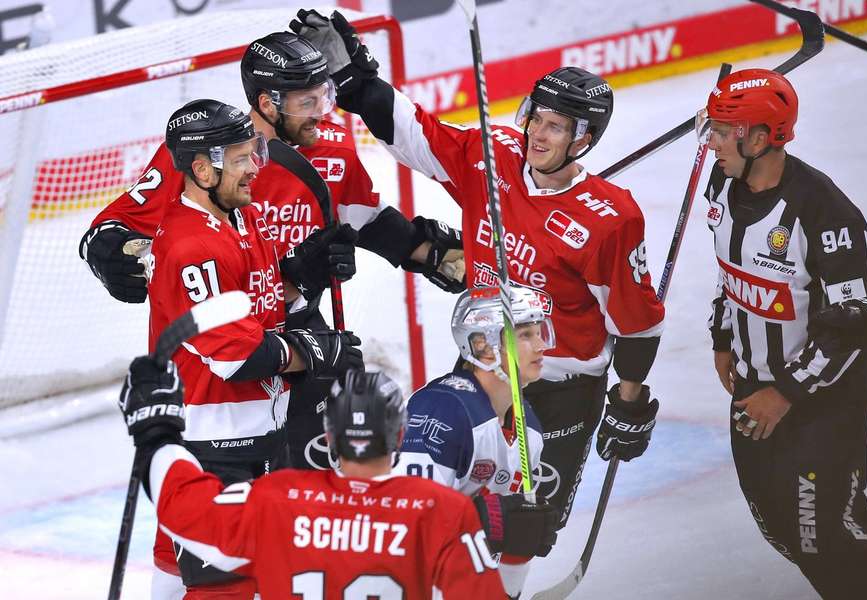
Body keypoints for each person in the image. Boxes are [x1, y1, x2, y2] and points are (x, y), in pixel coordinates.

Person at [291, 9, 666, 533]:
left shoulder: (610, 220)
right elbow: (413, 133)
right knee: (442, 510)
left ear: (583, 139)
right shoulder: (492, 158)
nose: (537, 133)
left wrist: (629, 398)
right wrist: (358, 85)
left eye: (556, 127)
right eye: (536, 117)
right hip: (480, 370)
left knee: (525, 529)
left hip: (559, 388)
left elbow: (636, 321)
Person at [78, 31, 465, 473]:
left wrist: (433, 252)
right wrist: (112, 254)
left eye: (326, 95)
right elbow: (115, 228)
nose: (322, 112)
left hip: (300, 327)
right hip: (229, 344)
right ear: (266, 104)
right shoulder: (206, 154)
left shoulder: (333, 148)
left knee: (318, 486)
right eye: (307, 102)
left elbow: (363, 217)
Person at [148, 98, 364, 598]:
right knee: (224, 583)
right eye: (243, 159)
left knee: (196, 562)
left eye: (255, 153)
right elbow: (234, 356)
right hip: (211, 445)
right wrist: (313, 351)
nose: (255, 170)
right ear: (202, 169)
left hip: (258, 432)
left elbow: (260, 307)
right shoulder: (189, 247)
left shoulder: (244, 220)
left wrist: (303, 273)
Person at [700, 67, 867, 598]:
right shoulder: (722, 181)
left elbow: (853, 327)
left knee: (819, 538)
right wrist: (722, 337)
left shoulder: (824, 211)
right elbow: (729, 270)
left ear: (760, 138)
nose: (710, 142)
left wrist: (785, 391)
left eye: (722, 130)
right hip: (751, 386)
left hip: (820, 399)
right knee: (779, 527)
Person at [116, 355, 508, 599]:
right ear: (401, 434)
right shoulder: (443, 512)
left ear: (330, 435)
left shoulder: (278, 499)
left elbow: (184, 506)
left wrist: (158, 434)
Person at [395, 286, 560, 599]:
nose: (541, 346)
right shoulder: (444, 410)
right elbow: (404, 526)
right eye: (525, 335)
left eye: (541, 333)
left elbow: (510, 533)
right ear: (482, 346)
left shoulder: (528, 425)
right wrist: (484, 520)